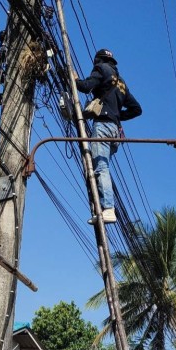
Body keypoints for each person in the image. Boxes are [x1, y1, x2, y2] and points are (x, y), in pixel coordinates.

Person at [75, 48, 142, 224]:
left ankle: (108, 209)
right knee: (100, 166)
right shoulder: (121, 82)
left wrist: (74, 79)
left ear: (98, 60)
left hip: (103, 125)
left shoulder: (101, 69)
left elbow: (85, 87)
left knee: (101, 168)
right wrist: (118, 116)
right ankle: (102, 207)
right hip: (115, 132)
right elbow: (137, 109)